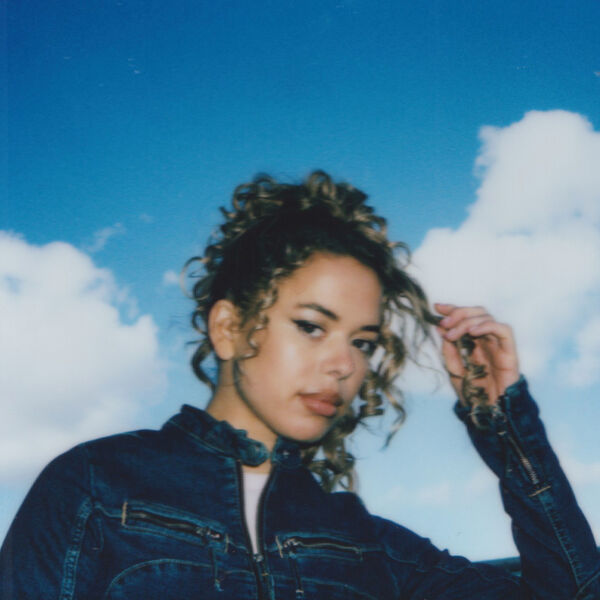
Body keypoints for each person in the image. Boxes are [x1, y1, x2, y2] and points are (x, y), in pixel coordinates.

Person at [1, 171, 599, 599]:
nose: (344, 365)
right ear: (229, 327)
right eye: (312, 326)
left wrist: (501, 422)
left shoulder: (363, 541)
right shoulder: (98, 487)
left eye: (363, 342)